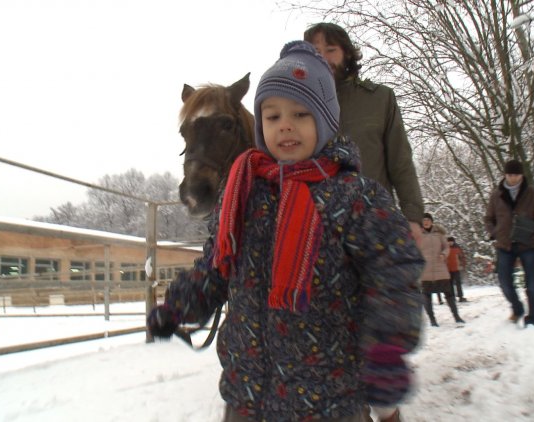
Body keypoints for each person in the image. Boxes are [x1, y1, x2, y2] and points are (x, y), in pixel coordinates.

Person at [147, 41, 424, 422]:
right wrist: (178, 305)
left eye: (301, 114)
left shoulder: (357, 197)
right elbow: (216, 266)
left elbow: (394, 275)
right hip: (247, 395)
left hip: (328, 399)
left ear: (325, 122)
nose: (286, 125)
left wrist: (387, 348)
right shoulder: (241, 194)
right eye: (273, 116)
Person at [304, 23, 424, 241]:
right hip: (317, 229)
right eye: (315, 51)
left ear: (347, 54)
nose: (323, 58)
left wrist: (413, 217)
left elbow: (401, 162)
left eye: (331, 50)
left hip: (375, 223)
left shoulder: (380, 99)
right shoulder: (296, 106)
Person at [484, 159, 534, 327]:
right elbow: (488, 219)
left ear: (521, 175)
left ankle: (533, 316)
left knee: (531, 282)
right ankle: (517, 308)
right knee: (504, 282)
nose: (512, 178)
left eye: (516, 175)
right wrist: (495, 232)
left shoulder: (533, 194)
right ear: (505, 175)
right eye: (509, 174)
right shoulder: (496, 195)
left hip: (527, 243)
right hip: (504, 245)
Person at [418, 213, 465, 327]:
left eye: (428, 220)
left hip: (440, 268)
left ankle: (456, 316)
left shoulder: (439, 234)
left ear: (432, 221)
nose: (426, 222)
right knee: (426, 295)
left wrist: (444, 255)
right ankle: (433, 320)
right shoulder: (418, 235)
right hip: (426, 270)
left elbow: (446, 247)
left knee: (449, 293)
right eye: (424, 220)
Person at [446, 236, 468, 302]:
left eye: (451, 241)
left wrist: (463, 265)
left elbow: (462, 257)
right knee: (450, 284)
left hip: (456, 268)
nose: (450, 243)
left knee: (458, 283)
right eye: (449, 242)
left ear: (453, 241)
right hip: (448, 269)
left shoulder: (457, 248)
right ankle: (452, 297)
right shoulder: (445, 249)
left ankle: (460, 296)